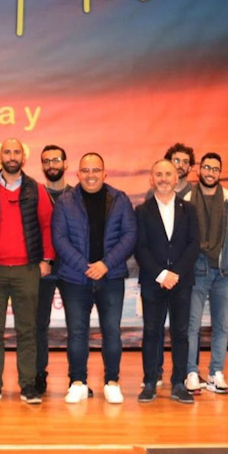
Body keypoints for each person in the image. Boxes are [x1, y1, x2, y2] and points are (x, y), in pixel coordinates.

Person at [0, 138, 55, 405]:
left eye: (16, 151)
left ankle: (28, 385)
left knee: (27, 329)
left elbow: (47, 225)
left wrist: (47, 260)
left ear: (23, 157)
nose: (11, 156)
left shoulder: (37, 189)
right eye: (6, 151)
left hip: (27, 269)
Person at [52, 153, 137, 404]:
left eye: (96, 170)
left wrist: (105, 265)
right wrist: (85, 266)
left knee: (112, 331)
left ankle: (112, 382)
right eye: (85, 170)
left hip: (110, 278)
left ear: (104, 173)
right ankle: (78, 382)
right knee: (77, 332)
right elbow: (60, 239)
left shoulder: (120, 199)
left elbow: (129, 236)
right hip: (75, 278)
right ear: (77, 174)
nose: (91, 175)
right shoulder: (65, 201)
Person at [181, 152, 228, 394]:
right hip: (196, 270)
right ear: (199, 170)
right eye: (207, 168)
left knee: (221, 325)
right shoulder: (186, 200)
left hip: (224, 272)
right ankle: (191, 372)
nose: (210, 172)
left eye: (215, 169)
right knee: (192, 325)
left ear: (220, 173)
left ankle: (215, 373)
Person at [134, 159, 200, 404]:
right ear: (152, 179)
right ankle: (150, 382)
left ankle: (179, 383)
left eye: (168, 174)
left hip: (182, 282)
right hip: (153, 282)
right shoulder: (141, 211)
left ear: (176, 179)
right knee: (151, 332)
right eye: (158, 174)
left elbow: (194, 244)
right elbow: (140, 247)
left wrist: (176, 274)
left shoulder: (189, 209)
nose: (163, 178)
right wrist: (161, 274)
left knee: (181, 333)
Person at [36, 144, 71, 395]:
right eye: (47, 161)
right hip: (42, 269)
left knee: (76, 326)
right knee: (39, 325)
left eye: (56, 160)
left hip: (71, 269)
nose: (52, 165)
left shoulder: (76, 194)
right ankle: (39, 375)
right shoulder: (35, 194)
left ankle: (76, 379)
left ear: (65, 164)